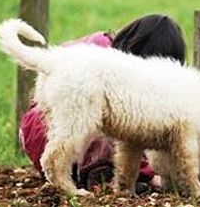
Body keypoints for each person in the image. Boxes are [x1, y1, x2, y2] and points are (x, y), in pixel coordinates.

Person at [19, 14, 187, 190]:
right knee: (116, 120)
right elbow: (128, 132)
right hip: (50, 132)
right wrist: (148, 174)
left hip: (36, 127)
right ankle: (99, 175)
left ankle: (80, 172)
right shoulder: (108, 64)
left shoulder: (99, 44)